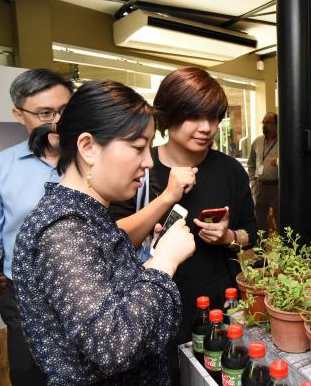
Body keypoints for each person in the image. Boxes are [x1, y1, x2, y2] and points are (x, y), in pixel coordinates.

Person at [12, 80, 195, 385]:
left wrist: (148, 262)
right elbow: (112, 344)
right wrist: (165, 261)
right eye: (138, 147)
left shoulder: (85, 214)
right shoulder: (63, 230)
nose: (148, 162)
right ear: (88, 148)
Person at [109, 67, 257, 385]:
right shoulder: (141, 166)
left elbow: (251, 236)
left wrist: (228, 236)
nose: (207, 128)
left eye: (215, 118)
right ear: (169, 115)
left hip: (216, 304)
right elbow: (113, 241)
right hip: (153, 306)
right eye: (194, 116)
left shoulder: (230, 170)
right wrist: (167, 197)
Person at [0, 68, 73, 385]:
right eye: (45, 113)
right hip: (26, 301)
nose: (57, 121)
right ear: (18, 115)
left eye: (65, 110)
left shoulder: (93, 159)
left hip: (89, 294)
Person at [248, 112, 279, 234]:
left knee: (281, 221)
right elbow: (251, 163)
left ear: (276, 125)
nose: (265, 125)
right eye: (263, 122)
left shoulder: (283, 141)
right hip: (260, 187)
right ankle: (261, 251)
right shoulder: (257, 142)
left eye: (269, 122)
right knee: (259, 222)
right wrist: (253, 181)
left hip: (277, 187)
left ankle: (285, 251)